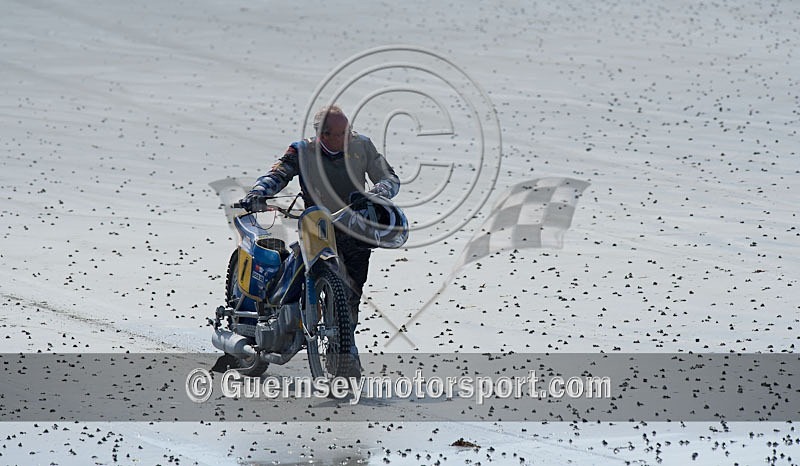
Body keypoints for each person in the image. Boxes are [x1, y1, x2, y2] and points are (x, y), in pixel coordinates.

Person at [239, 105, 400, 372]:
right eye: (341, 134)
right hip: (317, 224)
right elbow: (278, 173)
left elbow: (390, 178)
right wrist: (259, 190)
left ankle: (344, 350)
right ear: (324, 135)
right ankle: (280, 319)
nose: (348, 137)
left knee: (351, 295)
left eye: (348, 131)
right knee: (295, 269)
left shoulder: (362, 146)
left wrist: (378, 191)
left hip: (354, 229)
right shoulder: (301, 150)